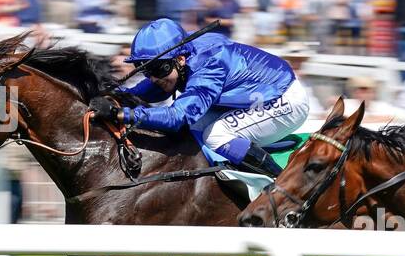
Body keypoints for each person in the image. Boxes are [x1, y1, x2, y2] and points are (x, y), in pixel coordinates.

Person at [87, 17, 310, 176]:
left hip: (284, 99)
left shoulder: (209, 67)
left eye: (158, 69)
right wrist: (119, 94)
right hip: (255, 98)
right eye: (146, 70)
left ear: (181, 60)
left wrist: (121, 114)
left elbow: (177, 116)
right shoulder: (181, 58)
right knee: (193, 132)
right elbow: (157, 87)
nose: (153, 78)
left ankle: (278, 183)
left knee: (216, 135)